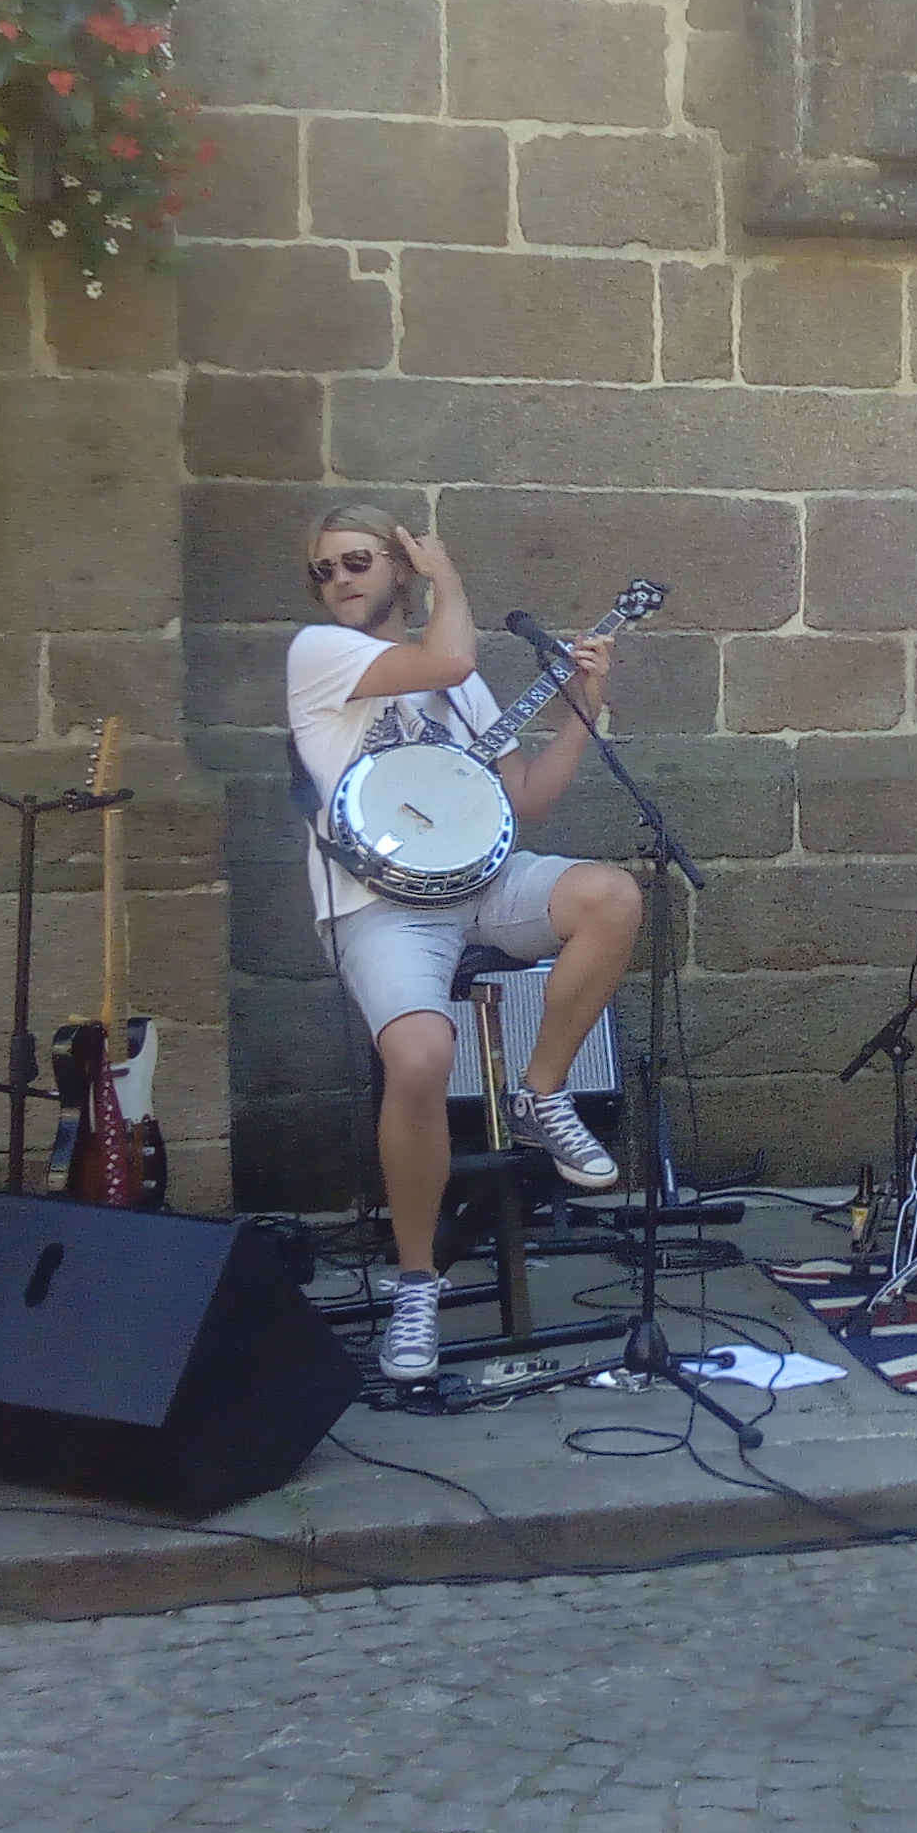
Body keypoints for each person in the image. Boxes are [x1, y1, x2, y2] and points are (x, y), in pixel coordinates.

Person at [286, 503, 639, 1383]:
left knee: (611, 896)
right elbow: (450, 654)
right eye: (325, 569)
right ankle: (417, 1283)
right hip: (377, 906)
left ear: (394, 569)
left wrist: (584, 707)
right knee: (419, 1058)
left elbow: (528, 802)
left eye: (357, 561)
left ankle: (539, 1094)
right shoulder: (319, 653)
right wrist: (447, 575)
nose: (340, 580)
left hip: (480, 884)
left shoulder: (462, 689)